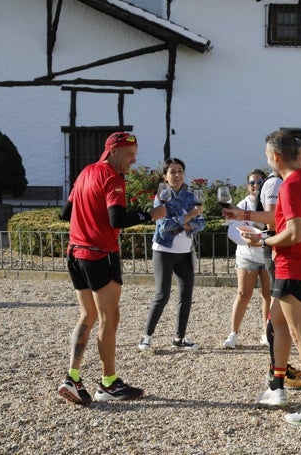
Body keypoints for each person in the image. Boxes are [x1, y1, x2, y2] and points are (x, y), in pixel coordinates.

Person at [57, 132, 166, 404]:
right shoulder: (112, 177)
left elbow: (66, 213)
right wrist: (150, 215)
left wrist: (90, 219)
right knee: (109, 318)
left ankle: (72, 377)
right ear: (114, 151)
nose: (134, 159)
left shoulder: (85, 172)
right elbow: (117, 219)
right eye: (130, 153)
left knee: (88, 316)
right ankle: (108, 383)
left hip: (76, 254)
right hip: (100, 255)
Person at [243, 130, 301, 425]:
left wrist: (263, 241)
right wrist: (269, 235)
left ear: (275, 156)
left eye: (266, 154)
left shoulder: (289, 185)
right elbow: (299, 226)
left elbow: (294, 233)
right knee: (277, 323)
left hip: (293, 266)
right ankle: (276, 387)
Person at [223, 141, 301, 389]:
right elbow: (275, 222)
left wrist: (259, 235)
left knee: (275, 310)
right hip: (267, 251)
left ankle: (278, 371)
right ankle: (277, 370)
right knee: (266, 308)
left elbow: (285, 224)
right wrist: (255, 233)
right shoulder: (275, 183)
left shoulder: (295, 182)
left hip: (273, 250)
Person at [137, 158, 205, 352]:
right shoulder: (162, 196)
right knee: (162, 295)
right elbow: (164, 225)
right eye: (173, 171)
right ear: (165, 176)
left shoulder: (192, 195)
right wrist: (190, 216)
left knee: (186, 295)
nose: (177, 175)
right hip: (164, 252)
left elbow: (203, 223)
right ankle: (146, 337)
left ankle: (179, 338)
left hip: (185, 253)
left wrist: (185, 223)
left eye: (180, 171)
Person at [222, 169, 272, 349]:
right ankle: (233, 333)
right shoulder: (241, 205)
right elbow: (232, 232)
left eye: (259, 182)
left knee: (268, 295)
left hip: (267, 254)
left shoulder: (269, 204)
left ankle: (267, 332)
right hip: (247, 255)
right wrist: (248, 242)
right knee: (243, 294)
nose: (256, 186)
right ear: (247, 186)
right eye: (252, 183)